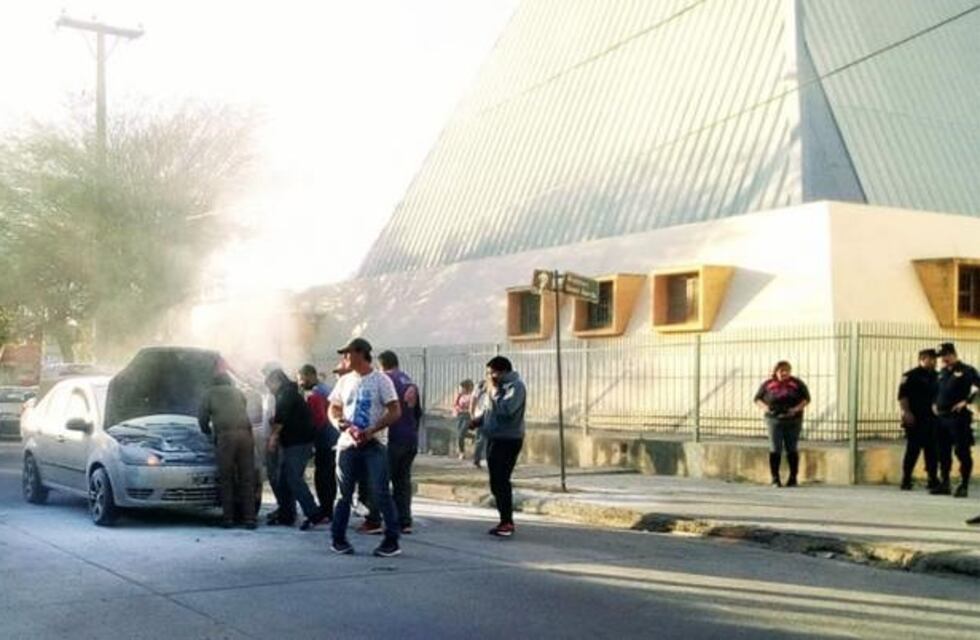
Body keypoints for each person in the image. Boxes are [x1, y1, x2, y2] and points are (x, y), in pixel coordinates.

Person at [328, 338, 403, 557]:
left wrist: (372, 430)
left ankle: (391, 540)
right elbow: (333, 407)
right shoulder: (344, 381)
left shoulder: (381, 380)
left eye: (348, 354)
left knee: (380, 492)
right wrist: (341, 424)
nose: (344, 358)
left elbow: (395, 410)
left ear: (362, 354)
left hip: (374, 444)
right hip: (348, 444)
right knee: (343, 495)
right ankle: (338, 538)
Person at [363, 350, 421, 534]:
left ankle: (374, 520)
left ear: (381, 364)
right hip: (409, 438)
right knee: (402, 481)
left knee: (379, 480)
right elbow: (418, 412)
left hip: (391, 438)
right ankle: (405, 521)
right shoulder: (408, 380)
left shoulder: (383, 380)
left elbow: (378, 408)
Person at [470, 356, 526, 538]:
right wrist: (478, 421)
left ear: (502, 372)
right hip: (493, 437)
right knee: (495, 481)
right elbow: (490, 410)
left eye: (491, 373)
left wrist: (493, 391)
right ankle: (504, 519)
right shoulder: (495, 388)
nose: (489, 377)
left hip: (508, 439)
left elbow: (507, 410)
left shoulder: (515, 387)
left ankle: (507, 521)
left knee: (501, 480)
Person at [265, 366, 322, 528]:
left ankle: (313, 513)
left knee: (293, 477)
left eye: (270, 386)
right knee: (283, 479)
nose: (269, 390)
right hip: (293, 442)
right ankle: (286, 513)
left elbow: (281, 416)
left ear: (276, 381)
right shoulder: (289, 392)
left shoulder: (286, 393)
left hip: (298, 442)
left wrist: (273, 437)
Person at [199, 372, 257, 529]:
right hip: (246, 435)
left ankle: (228, 519)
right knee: (247, 478)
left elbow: (202, 419)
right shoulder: (238, 392)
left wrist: (208, 433)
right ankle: (250, 519)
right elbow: (244, 409)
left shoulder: (209, 393)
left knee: (226, 478)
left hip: (226, 437)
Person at [931, 343, 978, 498]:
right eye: (941, 357)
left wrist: (967, 401)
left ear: (952, 354)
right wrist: (934, 404)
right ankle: (945, 482)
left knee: (962, 451)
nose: (943, 360)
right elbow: (938, 391)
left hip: (958, 418)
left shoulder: (967, 371)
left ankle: (963, 484)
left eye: (945, 356)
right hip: (941, 418)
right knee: (942, 452)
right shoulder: (942, 373)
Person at [754, 361, 810, 487]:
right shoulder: (768, 384)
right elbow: (757, 399)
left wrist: (796, 409)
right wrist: (766, 408)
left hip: (793, 420)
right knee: (775, 447)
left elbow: (806, 398)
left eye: (787, 370)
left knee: (792, 448)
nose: (784, 373)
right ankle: (775, 478)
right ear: (775, 371)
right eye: (781, 370)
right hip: (774, 420)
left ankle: (793, 478)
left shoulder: (796, 383)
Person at [897, 349, 940, 491]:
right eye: (931, 359)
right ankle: (906, 479)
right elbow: (903, 396)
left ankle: (932, 479)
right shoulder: (910, 376)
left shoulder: (937, 376)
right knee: (913, 450)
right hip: (916, 419)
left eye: (935, 359)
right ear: (922, 359)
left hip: (932, 419)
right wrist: (906, 412)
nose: (934, 361)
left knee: (932, 451)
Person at [299, 364, 337, 523]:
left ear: (309, 375)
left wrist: (311, 437)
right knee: (328, 476)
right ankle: (328, 510)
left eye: (301, 378)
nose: (300, 382)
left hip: (324, 441)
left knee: (323, 477)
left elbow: (319, 419)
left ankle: (326, 510)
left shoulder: (317, 393)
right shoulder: (326, 389)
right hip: (333, 439)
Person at [452, 380, 474, 460]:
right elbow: (455, 405)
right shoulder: (459, 395)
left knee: (461, 434)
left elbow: (473, 406)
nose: (461, 389)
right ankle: (473, 437)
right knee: (460, 434)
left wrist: (469, 411)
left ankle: (462, 453)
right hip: (460, 415)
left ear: (466, 388)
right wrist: (457, 409)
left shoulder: (471, 396)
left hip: (467, 416)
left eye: (462, 388)